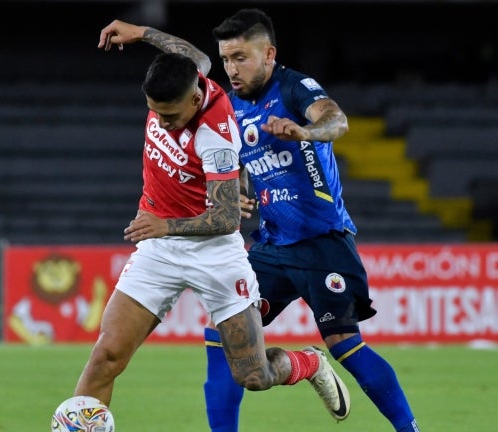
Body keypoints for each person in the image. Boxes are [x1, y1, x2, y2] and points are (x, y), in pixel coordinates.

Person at [98, 9, 421, 432]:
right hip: (271, 245)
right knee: (223, 340)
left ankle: (409, 428)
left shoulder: (293, 88)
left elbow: (335, 119)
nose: (231, 68)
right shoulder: (224, 104)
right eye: (227, 59)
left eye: (241, 58)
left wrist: (306, 132)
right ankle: (298, 370)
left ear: (268, 54)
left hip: (322, 241)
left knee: (345, 343)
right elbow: (193, 60)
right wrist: (141, 33)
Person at [69, 37, 349, 425]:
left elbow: (227, 217)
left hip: (214, 252)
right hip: (159, 248)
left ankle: (308, 362)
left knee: (253, 375)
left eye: (170, 117)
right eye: (156, 114)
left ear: (195, 99)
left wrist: (165, 224)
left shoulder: (215, 134)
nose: (163, 124)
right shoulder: (190, 76)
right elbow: (195, 55)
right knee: (106, 356)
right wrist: (141, 31)